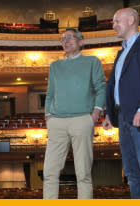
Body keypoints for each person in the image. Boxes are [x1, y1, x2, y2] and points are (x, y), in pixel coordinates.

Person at [103, 8, 140, 198]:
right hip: (122, 117)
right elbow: (114, 85)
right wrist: (109, 113)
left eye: (116, 21)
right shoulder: (120, 52)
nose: (113, 25)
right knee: (131, 172)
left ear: (130, 20)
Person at [43, 28, 106, 199]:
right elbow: (50, 94)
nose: (66, 41)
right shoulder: (55, 66)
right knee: (49, 171)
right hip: (56, 122)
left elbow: (101, 88)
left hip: (82, 119)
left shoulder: (92, 61)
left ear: (81, 41)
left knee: (83, 172)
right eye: (63, 39)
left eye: (70, 37)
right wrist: (48, 116)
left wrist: (95, 114)